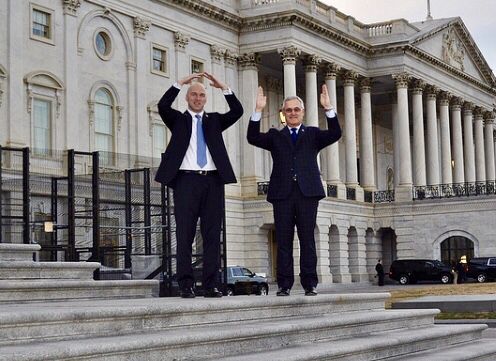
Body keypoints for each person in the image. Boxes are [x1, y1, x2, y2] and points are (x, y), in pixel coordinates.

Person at [154, 72, 243, 298]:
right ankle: (186, 284)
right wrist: (180, 83)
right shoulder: (178, 120)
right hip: (186, 180)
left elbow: (237, 111)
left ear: (206, 99)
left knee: (212, 235)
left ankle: (211, 284)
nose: (197, 98)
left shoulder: (214, 121)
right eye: (193, 94)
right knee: (185, 234)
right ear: (187, 98)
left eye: (201, 95)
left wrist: (223, 86)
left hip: (213, 180)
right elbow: (163, 105)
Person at [247, 85, 341, 296]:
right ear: (283, 113)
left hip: (308, 193)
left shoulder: (313, 134)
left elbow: (336, 133)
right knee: (284, 240)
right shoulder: (274, 136)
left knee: (307, 239)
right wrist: (258, 110)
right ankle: (284, 285)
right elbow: (252, 137)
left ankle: (310, 284)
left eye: (296, 109)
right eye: (288, 110)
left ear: (303, 112)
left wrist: (328, 108)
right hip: (283, 194)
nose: (292, 113)